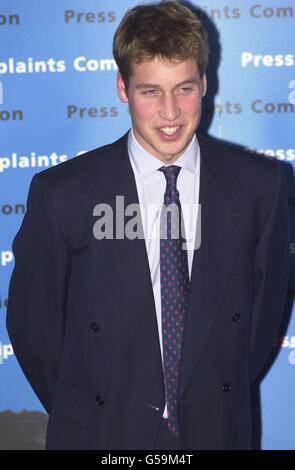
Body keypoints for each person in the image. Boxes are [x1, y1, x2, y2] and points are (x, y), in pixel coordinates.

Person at [6, 1, 289, 450]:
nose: (171, 112)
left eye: (184, 88)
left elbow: (257, 328)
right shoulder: (62, 194)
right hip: (102, 435)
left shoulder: (261, 187)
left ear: (205, 84)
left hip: (216, 432)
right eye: (151, 91)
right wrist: (93, 405)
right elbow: (32, 328)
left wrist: (204, 396)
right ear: (123, 87)